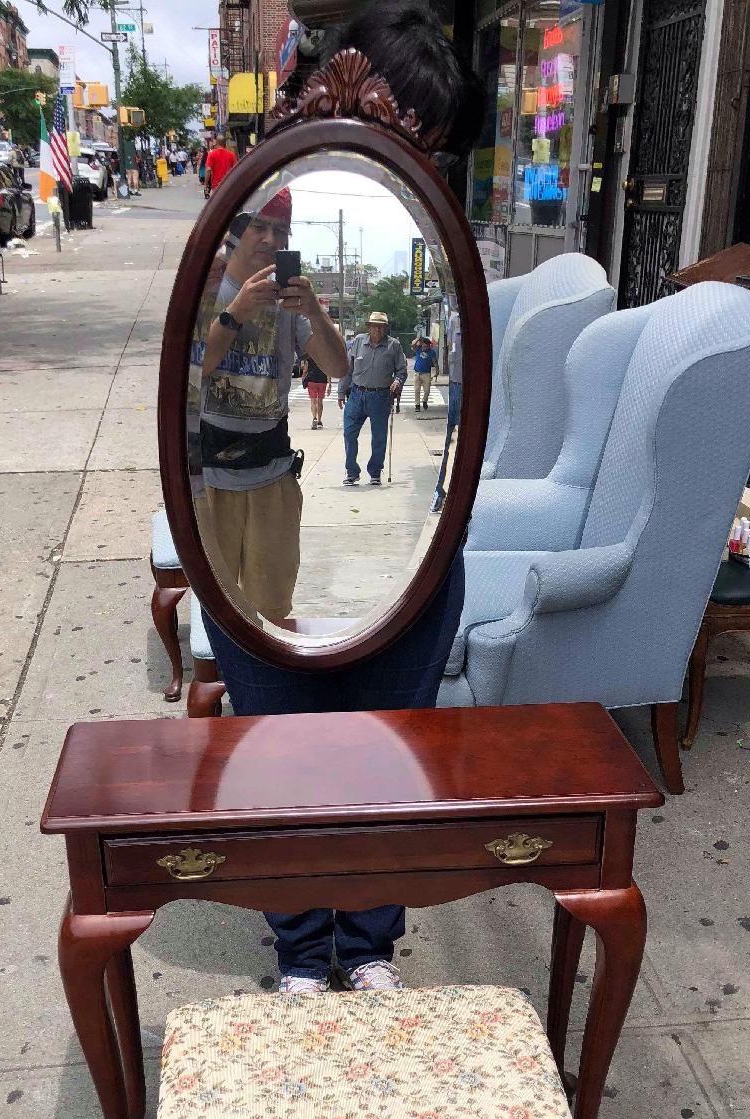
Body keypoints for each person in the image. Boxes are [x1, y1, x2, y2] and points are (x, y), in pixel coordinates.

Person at [199, 0, 483, 995]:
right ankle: (297, 951)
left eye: (433, 154)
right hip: (226, 518)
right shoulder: (232, 218)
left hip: (377, 536)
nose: (422, 168)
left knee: (387, 757)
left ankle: (364, 946)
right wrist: (236, 300)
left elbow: (341, 368)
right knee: (279, 753)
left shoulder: (431, 225)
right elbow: (182, 388)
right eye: (418, 140)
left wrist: (309, 303)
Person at [195, 190, 349, 621]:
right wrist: (237, 310)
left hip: (272, 477)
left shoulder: (291, 304)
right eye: (257, 226)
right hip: (211, 480)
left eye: (280, 230)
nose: (268, 239)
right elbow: (199, 365)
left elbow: (337, 367)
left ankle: (263, 691)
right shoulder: (207, 289)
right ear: (235, 232)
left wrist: (316, 313)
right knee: (217, 614)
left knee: (274, 614)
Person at [338, 312, 406, 487]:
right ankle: (352, 472)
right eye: (374, 325)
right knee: (349, 433)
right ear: (368, 327)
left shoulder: (394, 345)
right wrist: (340, 392)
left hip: (380, 397)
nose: (377, 329)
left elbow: (401, 370)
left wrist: (397, 382)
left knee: (379, 437)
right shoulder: (359, 341)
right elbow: (348, 369)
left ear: (385, 328)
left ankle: (375, 472)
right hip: (357, 395)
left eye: (381, 326)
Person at [431, 300, 462, 513]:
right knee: (452, 437)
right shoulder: (453, 319)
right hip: (456, 384)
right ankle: (443, 493)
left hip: (476, 384)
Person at [302, 352, 331, 430]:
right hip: (322, 381)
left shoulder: (309, 357)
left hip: (311, 380)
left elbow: (305, 370)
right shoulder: (325, 358)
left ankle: (314, 418)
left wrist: (303, 379)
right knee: (320, 401)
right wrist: (330, 384)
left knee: (313, 401)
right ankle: (319, 421)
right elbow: (328, 371)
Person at [410, 334, 438, 411]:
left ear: (429, 346)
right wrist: (418, 339)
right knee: (416, 390)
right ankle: (417, 405)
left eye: (426, 347)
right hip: (417, 373)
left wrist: (437, 372)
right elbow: (413, 344)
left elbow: (435, 362)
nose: (424, 348)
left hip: (427, 374)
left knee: (427, 391)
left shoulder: (432, 352)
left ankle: (424, 401)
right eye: (423, 346)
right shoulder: (418, 349)